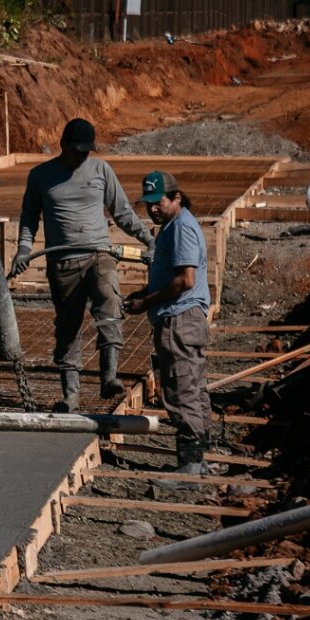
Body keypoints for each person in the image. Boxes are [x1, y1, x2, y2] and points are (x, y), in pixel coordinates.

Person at [10, 118, 155, 412]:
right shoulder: (41, 175)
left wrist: (148, 239)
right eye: (77, 151)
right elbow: (29, 217)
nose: (82, 156)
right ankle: (71, 396)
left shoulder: (101, 170)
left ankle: (109, 375)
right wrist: (23, 250)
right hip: (62, 262)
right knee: (68, 327)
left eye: (87, 151)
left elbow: (122, 211)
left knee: (109, 300)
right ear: (63, 144)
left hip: (98, 253)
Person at [125, 171, 212, 482]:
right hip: (183, 317)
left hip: (179, 319)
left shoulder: (181, 228)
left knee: (180, 388)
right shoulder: (175, 225)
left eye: (158, 202)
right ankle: (198, 459)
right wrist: (144, 295)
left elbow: (185, 280)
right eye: (148, 204)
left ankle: (190, 466)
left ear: (176, 197)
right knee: (193, 387)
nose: (152, 209)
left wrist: (146, 302)